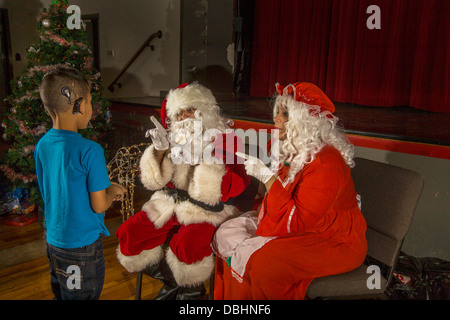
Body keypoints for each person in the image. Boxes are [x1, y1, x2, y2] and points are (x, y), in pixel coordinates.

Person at [212, 81, 368, 299]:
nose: (276, 119)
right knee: (227, 235)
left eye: (285, 114)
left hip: (334, 238)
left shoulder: (326, 162)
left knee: (265, 263)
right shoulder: (289, 150)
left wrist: (267, 178)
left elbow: (299, 220)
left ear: (304, 121)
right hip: (301, 224)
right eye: (277, 112)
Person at [115, 82, 250, 299]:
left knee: (187, 245)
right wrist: (159, 152)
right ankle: (173, 284)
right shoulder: (172, 140)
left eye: (190, 109)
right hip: (172, 204)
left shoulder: (227, 138)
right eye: (178, 113)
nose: (184, 117)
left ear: (204, 111)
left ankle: (191, 294)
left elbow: (237, 185)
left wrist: (208, 159)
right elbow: (154, 181)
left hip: (211, 211)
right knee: (129, 234)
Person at [35, 67, 125, 300]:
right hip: (82, 248)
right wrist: (113, 189)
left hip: (54, 243)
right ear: (80, 105)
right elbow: (99, 205)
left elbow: (49, 192)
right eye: (91, 102)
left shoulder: (43, 145)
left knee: (63, 294)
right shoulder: (90, 150)